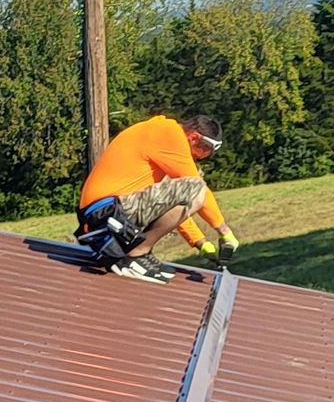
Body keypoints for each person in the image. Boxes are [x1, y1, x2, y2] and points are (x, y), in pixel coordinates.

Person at [75, 110, 240, 283]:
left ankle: (140, 252)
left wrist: (200, 242)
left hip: (106, 213)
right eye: (202, 151)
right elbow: (198, 192)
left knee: (187, 188)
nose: (198, 158)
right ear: (194, 138)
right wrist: (224, 231)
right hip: (105, 212)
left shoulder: (162, 136)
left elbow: (173, 205)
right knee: (196, 187)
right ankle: (135, 255)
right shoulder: (169, 135)